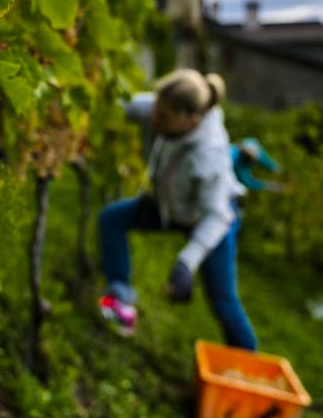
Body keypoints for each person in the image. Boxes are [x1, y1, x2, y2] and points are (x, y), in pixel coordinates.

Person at [97, 68, 258, 350]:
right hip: (169, 206)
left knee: (222, 299)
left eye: (164, 117)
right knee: (111, 220)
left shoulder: (209, 156)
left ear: (192, 120)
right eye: (156, 109)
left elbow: (217, 216)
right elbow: (119, 104)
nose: (154, 120)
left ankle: (250, 369)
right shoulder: (162, 109)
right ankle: (120, 300)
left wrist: (185, 264)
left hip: (210, 219)